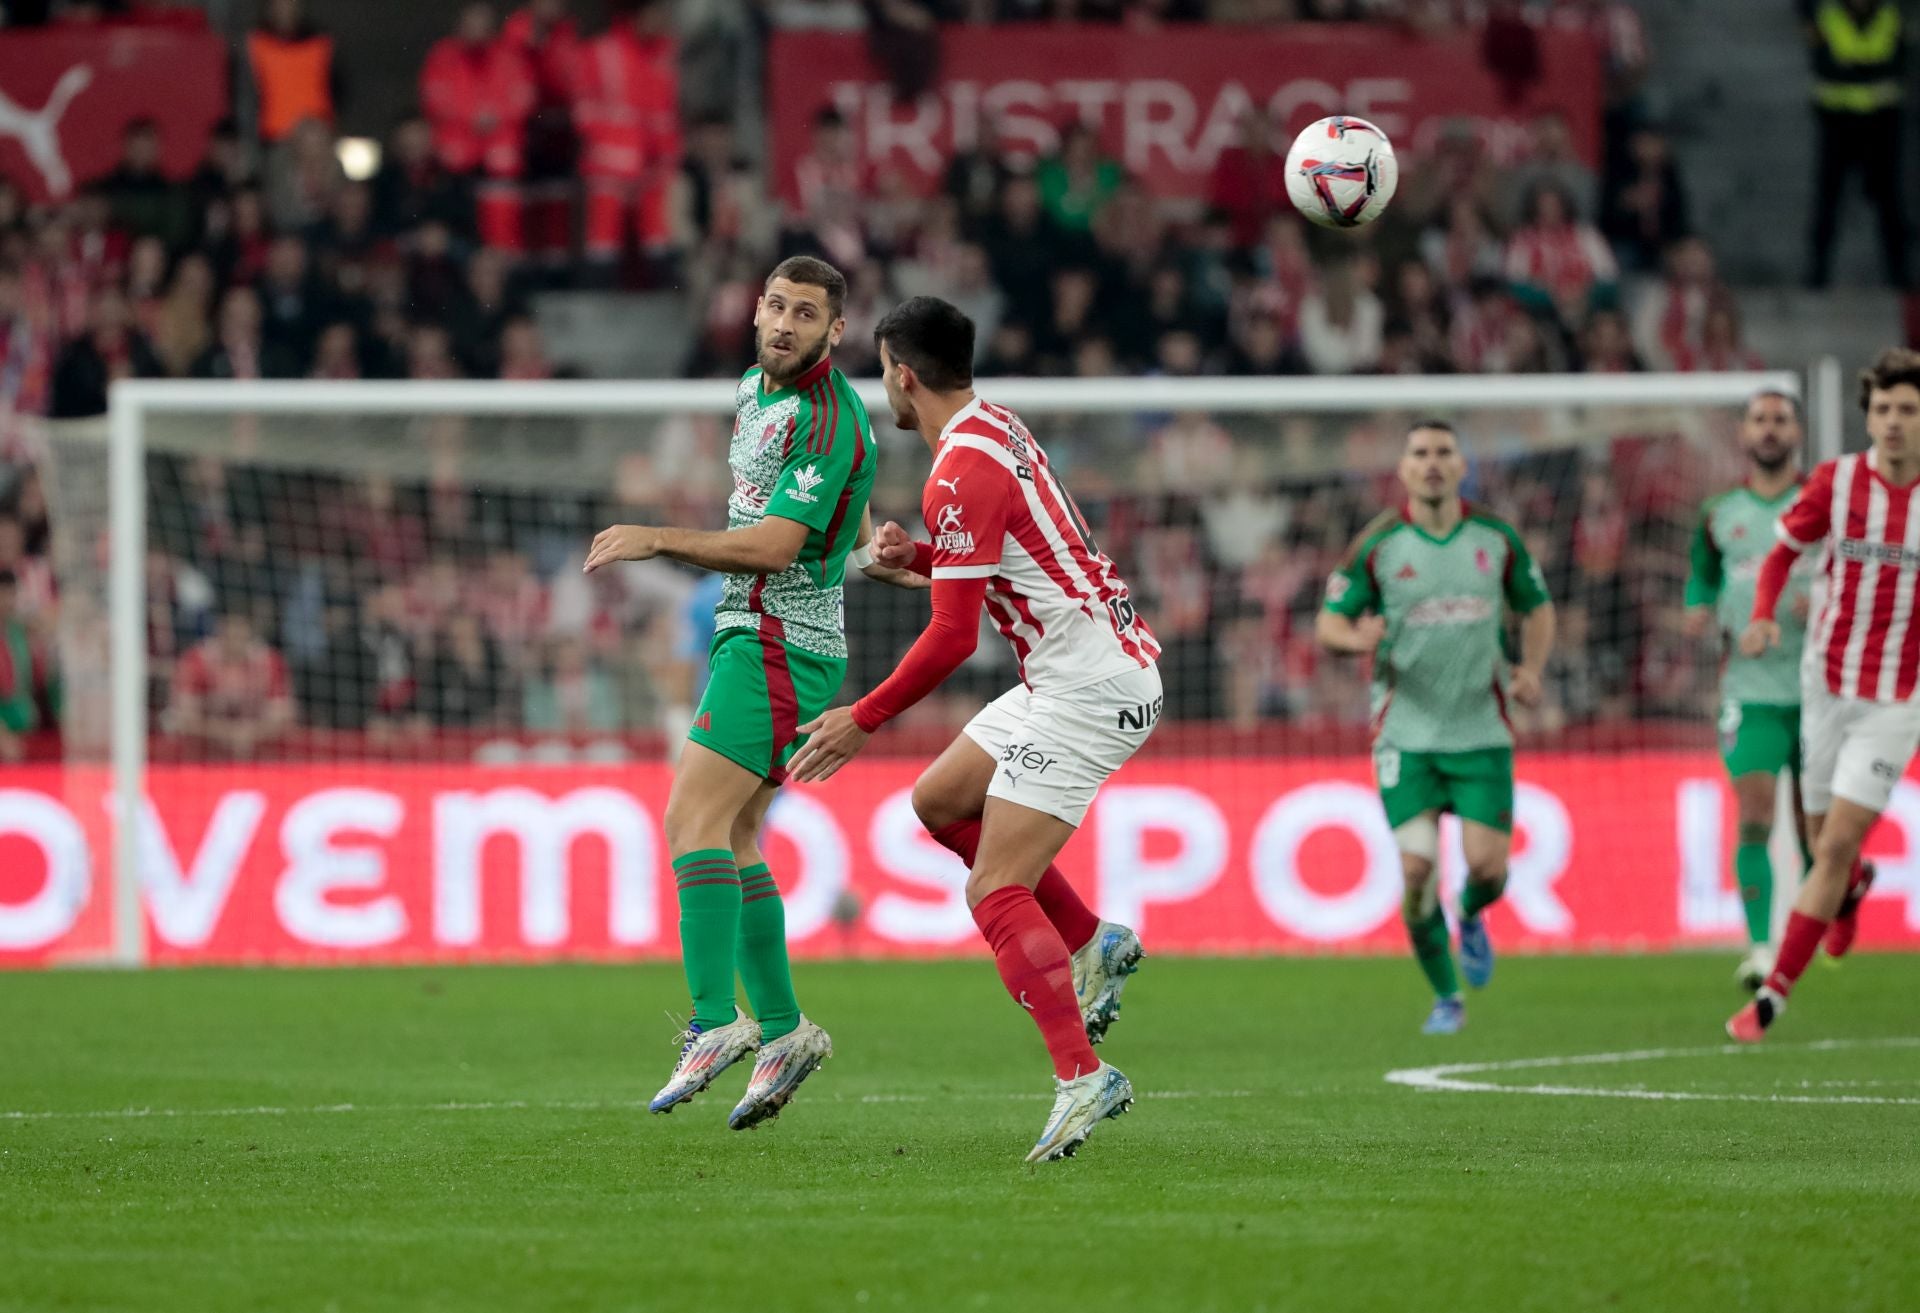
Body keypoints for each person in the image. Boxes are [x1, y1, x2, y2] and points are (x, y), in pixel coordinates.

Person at [788, 295, 1162, 1164]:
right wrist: (914, 557)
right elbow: (997, 564)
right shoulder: (997, 427)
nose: (884, 386)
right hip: (1078, 667)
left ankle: (1082, 1077)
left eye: (883, 371)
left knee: (993, 889)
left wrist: (862, 717)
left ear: (903, 375)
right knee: (940, 799)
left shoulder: (955, 470)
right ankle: (1090, 940)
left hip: (1084, 689)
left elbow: (955, 635)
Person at [583, 256, 922, 1128]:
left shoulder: (827, 418)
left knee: (686, 821)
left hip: (779, 646)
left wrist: (654, 536)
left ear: (835, 332)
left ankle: (712, 1020)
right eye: (775, 305)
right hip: (759, 632)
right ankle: (782, 1031)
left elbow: (773, 548)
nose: (783, 323)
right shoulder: (753, 390)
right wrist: (860, 561)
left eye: (805, 314)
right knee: (731, 833)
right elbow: (812, 549)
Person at [1316, 422, 1556, 1036]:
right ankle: (1447, 996)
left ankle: (1471, 916)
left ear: (1461, 465)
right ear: (1401, 469)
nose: (1431, 463)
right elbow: (1329, 623)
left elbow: (1537, 606)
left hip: (1481, 731)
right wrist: (1354, 638)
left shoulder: (1495, 537)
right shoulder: (1380, 543)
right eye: (1419, 453)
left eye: (1444, 453)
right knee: (1418, 874)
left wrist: (1530, 669)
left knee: (1487, 872)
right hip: (1407, 735)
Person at [1727, 348, 1920, 1042]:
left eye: (1907, 409)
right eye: (1883, 409)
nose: (1893, 422)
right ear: (1868, 415)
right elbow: (1780, 554)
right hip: (1824, 688)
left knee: (1832, 845)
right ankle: (1852, 889)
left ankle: (1772, 993)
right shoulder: (1836, 482)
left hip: (1896, 703)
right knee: (1820, 845)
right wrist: (1761, 613)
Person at [1682, 392, 1816, 990]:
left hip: (1821, 690)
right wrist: (1695, 609)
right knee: (1756, 816)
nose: (1769, 430)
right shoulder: (1719, 512)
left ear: (1798, 431)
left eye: (1780, 420)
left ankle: (1818, 930)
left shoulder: (1825, 505)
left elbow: (1860, 575)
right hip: (1749, 687)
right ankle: (1761, 949)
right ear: (1742, 432)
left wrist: (1829, 602)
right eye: (1760, 420)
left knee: (1820, 832)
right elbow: (1701, 577)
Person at [1802, 0, 1909, 288]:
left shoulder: (1890, 15)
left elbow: (1897, 63)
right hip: (1838, 124)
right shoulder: (1827, 15)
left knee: (1890, 204)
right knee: (1828, 202)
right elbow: (1826, 64)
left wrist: (1850, 66)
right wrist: (1867, 68)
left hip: (1881, 126)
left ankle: (1900, 275)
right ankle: (1817, 275)